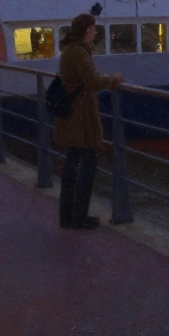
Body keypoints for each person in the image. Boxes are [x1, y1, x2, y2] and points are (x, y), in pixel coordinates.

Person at [54, 13, 123, 229]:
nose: (95, 32)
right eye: (93, 29)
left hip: (73, 114)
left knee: (73, 163)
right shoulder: (78, 53)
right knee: (87, 163)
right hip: (80, 116)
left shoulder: (70, 51)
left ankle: (68, 215)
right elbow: (91, 81)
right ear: (86, 31)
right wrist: (114, 79)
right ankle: (79, 216)